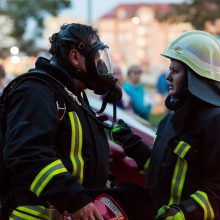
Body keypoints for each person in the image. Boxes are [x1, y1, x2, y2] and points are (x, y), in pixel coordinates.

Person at [1, 23, 152, 220]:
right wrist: (74, 199)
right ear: (74, 57)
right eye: (97, 57)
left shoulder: (72, 96)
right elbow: (27, 153)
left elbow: (83, 159)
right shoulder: (36, 91)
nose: (101, 65)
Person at [111, 30, 220, 219]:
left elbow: (217, 189)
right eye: (169, 69)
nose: (168, 77)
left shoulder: (215, 122)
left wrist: (185, 212)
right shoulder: (170, 120)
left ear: (195, 78)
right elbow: (159, 169)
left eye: (175, 71)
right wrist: (131, 143)